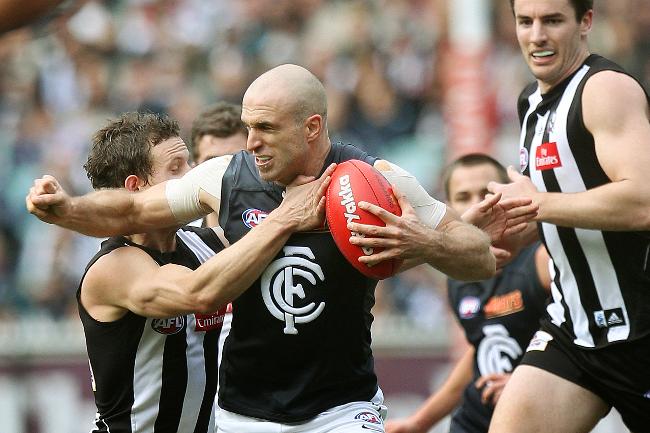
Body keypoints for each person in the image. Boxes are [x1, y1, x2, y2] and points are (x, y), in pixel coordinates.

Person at [26, 64, 526, 432]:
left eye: (265, 128)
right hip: (247, 413)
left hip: (344, 407)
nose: (252, 142)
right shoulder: (224, 179)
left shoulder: (377, 179)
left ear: (311, 127)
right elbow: (135, 211)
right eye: (247, 128)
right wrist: (67, 210)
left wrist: (423, 240)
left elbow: (478, 255)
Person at [60, 111, 331, 432]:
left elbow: (276, 243)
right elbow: (197, 292)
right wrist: (284, 219)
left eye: (191, 163)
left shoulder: (205, 245)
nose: (194, 176)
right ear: (136, 187)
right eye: (177, 168)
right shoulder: (114, 267)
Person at [484, 1, 650, 432]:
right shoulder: (530, 103)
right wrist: (514, 233)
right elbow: (566, 204)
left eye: (553, 20)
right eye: (526, 22)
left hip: (642, 331)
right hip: (573, 329)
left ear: (585, 23)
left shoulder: (605, 89)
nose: (537, 35)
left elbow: (644, 201)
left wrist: (535, 205)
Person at [385, 154, 551, 433]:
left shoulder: (543, 261)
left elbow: (584, 334)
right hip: (475, 420)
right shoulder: (458, 277)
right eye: (463, 197)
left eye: (487, 193)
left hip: (540, 415)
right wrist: (418, 422)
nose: (477, 205)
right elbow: (480, 348)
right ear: (448, 210)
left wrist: (535, 381)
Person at [190, 101, 247, 228]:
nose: (224, 171)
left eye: (235, 159)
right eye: (213, 161)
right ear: (193, 171)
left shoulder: (283, 230)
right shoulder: (178, 241)